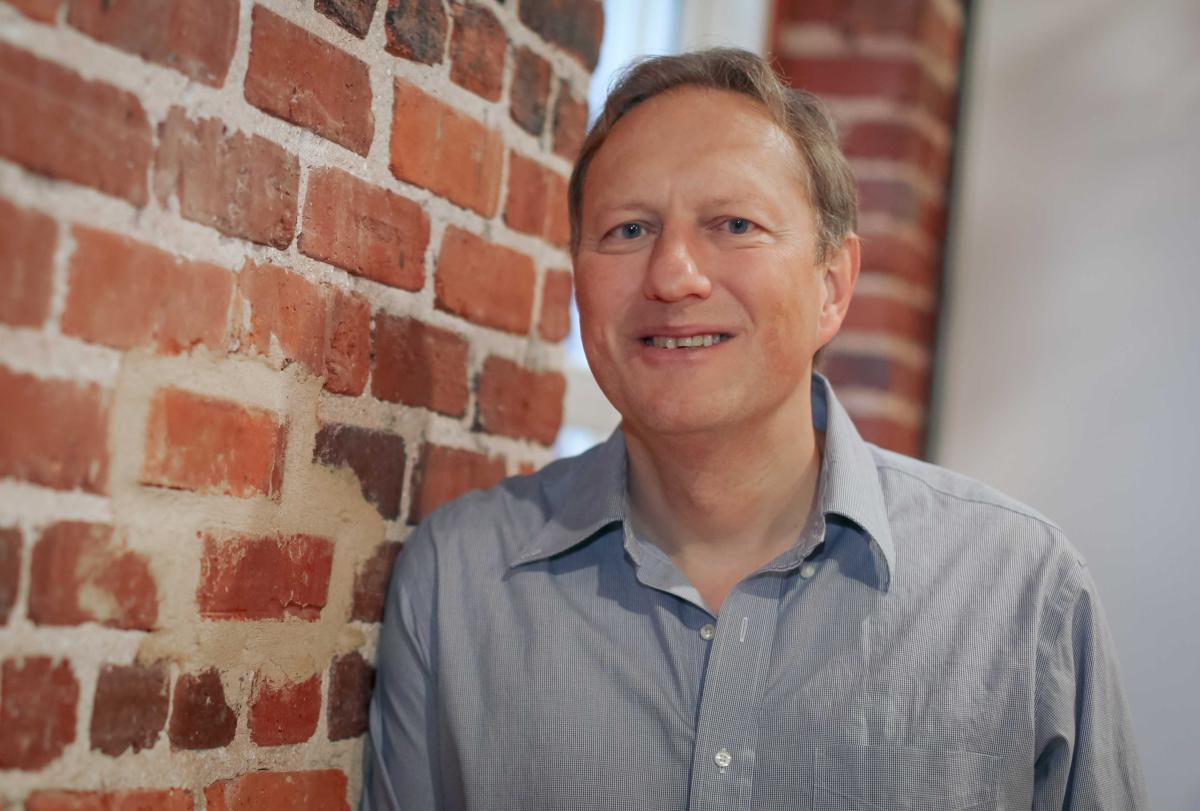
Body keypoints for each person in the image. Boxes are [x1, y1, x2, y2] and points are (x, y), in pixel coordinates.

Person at [361, 49, 1146, 810]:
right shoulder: (456, 584)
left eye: (734, 224)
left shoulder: (1022, 594)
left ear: (832, 287)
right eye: (628, 230)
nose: (674, 275)